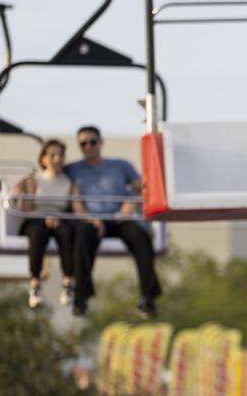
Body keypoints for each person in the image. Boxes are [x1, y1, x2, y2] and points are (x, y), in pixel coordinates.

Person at [65, 125, 161, 318]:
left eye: (92, 142)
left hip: (118, 219)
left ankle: (147, 297)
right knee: (82, 236)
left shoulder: (120, 165)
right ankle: (81, 296)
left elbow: (141, 186)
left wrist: (131, 201)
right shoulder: (72, 170)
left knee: (139, 235)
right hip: (91, 221)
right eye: (83, 144)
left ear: (101, 143)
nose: (89, 147)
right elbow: (53, 182)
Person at [13, 138, 76, 309]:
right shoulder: (34, 180)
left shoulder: (69, 183)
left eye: (60, 155)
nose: (57, 159)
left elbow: (78, 208)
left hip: (60, 220)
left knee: (67, 233)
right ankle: (35, 285)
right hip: (36, 220)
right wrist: (24, 193)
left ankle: (68, 283)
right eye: (52, 155)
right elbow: (26, 210)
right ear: (43, 159)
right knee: (37, 234)